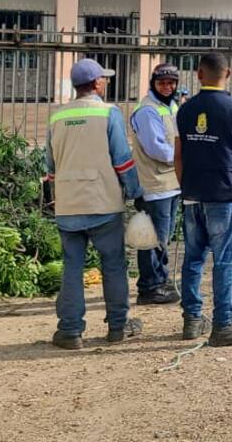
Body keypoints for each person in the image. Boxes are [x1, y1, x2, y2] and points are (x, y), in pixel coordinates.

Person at [45, 58, 146, 350]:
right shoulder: (108, 113)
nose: (106, 82)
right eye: (105, 79)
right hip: (103, 202)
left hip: (67, 203)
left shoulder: (57, 116)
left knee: (72, 267)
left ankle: (70, 330)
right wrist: (136, 192)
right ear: (97, 83)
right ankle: (117, 326)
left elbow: (49, 164)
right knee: (113, 266)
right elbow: (123, 160)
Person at [175, 52, 232, 347]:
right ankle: (223, 325)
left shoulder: (183, 111)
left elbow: (178, 157)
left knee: (193, 259)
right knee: (225, 262)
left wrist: (186, 187)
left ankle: (192, 319)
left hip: (192, 196)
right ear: (230, 74)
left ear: (198, 74)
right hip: (224, 197)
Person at [129, 63, 184, 305]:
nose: (167, 86)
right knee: (154, 238)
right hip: (156, 184)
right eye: (162, 83)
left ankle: (159, 280)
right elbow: (156, 149)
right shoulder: (148, 110)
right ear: (153, 83)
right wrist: (184, 157)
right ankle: (149, 286)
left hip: (170, 182)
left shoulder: (169, 105)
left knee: (164, 236)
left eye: (171, 83)